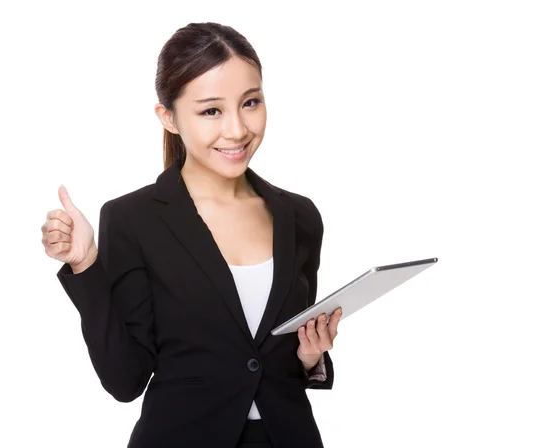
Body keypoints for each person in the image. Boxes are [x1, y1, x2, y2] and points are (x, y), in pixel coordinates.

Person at [41, 22, 342, 448]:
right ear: (169, 118)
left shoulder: (300, 216)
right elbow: (125, 380)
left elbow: (268, 356)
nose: (237, 129)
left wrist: (311, 356)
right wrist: (85, 264)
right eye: (211, 111)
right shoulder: (133, 219)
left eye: (250, 102)